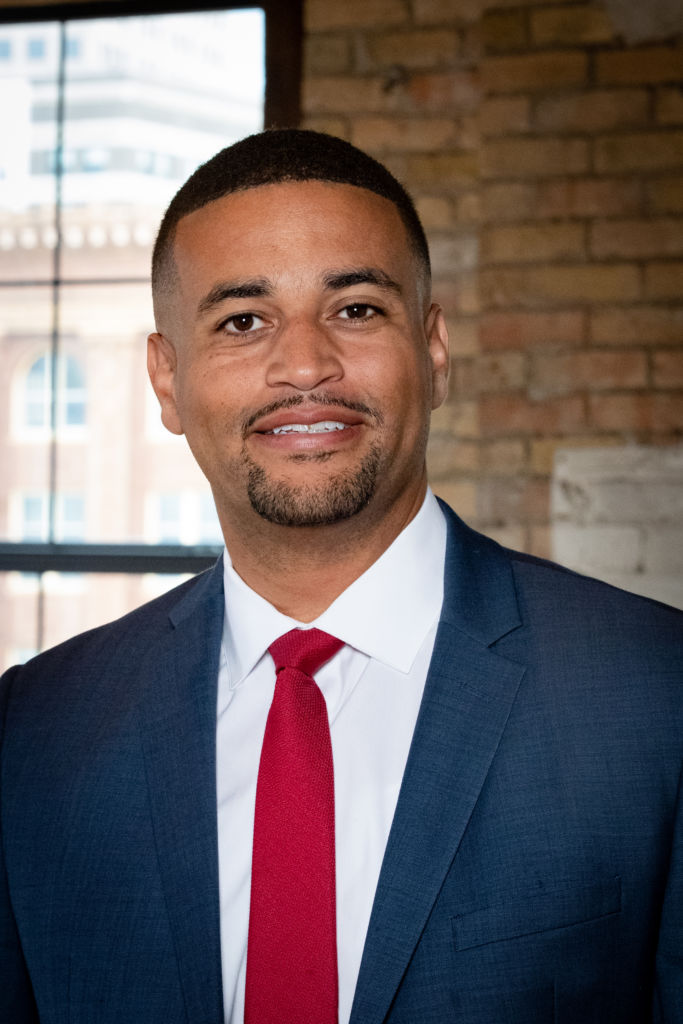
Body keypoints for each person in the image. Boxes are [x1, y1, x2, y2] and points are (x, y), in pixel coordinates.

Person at [1, 129, 681, 1024]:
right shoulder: (33, 732)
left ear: (433, 351)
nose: (303, 366)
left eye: (355, 309)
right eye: (242, 321)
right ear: (166, 381)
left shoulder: (656, 694)